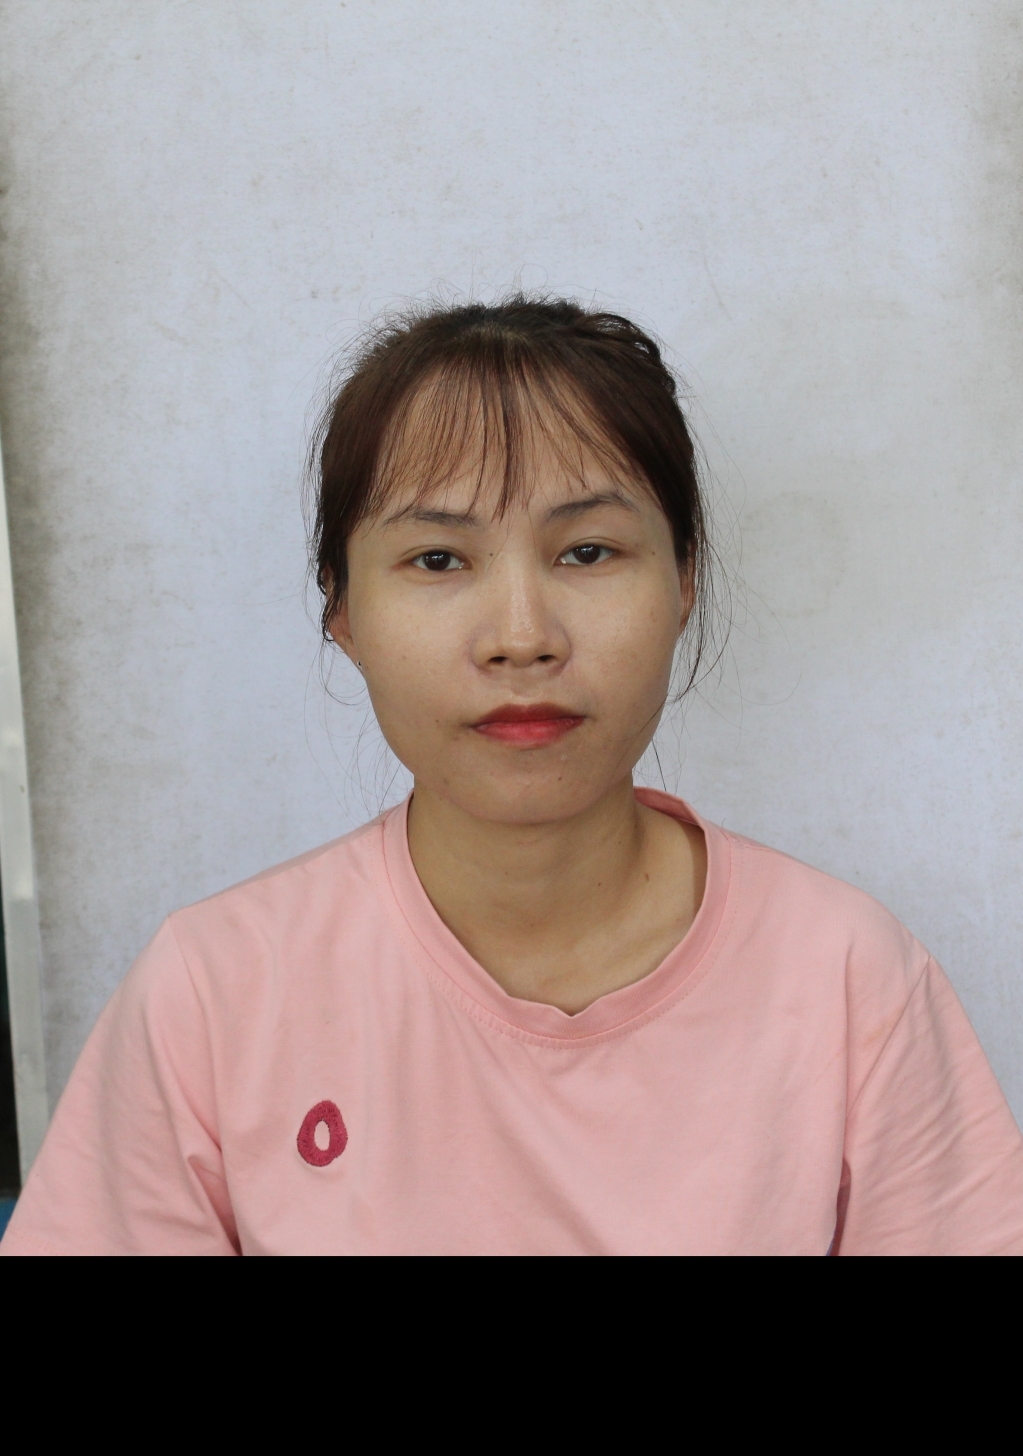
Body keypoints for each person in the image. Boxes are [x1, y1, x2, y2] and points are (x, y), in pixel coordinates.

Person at [4, 296, 1022, 1255]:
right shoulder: (215, 993)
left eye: (587, 551)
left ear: (684, 580)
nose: (521, 636)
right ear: (341, 610)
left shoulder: (847, 979)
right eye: (438, 561)